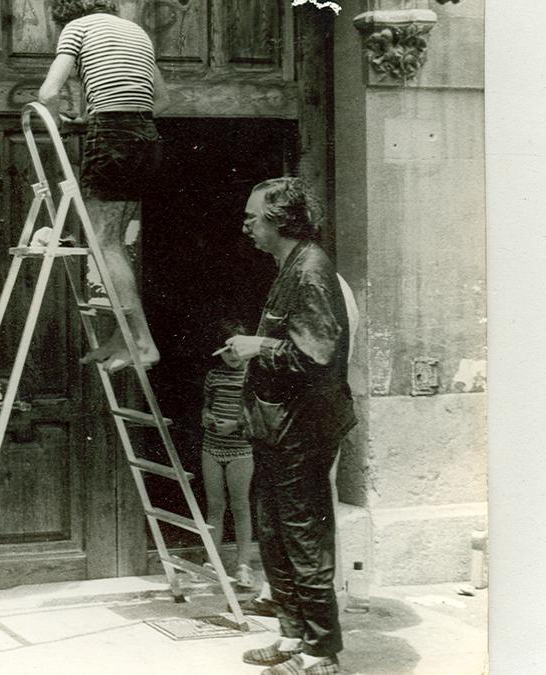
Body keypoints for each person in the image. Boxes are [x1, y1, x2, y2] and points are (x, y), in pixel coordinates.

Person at [224, 177, 356, 675]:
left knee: (302, 536)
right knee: (275, 534)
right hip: (277, 428)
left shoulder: (311, 270)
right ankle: (291, 635)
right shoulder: (289, 267)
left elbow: (318, 359)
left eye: (253, 217)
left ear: (282, 220)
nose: (246, 226)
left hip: (302, 430)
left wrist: (256, 347)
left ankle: (321, 652)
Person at [38, 0, 169, 372]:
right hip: (146, 137)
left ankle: (142, 342)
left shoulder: (77, 29)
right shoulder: (136, 32)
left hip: (112, 138)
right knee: (113, 242)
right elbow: (162, 100)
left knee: (104, 242)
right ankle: (121, 337)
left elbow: (48, 92)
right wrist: (93, 116)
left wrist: (62, 123)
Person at [201, 318, 257, 591]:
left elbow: (258, 416)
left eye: (237, 350)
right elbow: (207, 406)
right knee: (214, 505)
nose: (233, 357)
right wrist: (208, 417)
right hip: (212, 446)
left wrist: (235, 425)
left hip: (240, 449)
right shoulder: (214, 376)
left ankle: (243, 565)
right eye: (227, 352)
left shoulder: (253, 376)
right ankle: (212, 559)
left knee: (240, 505)